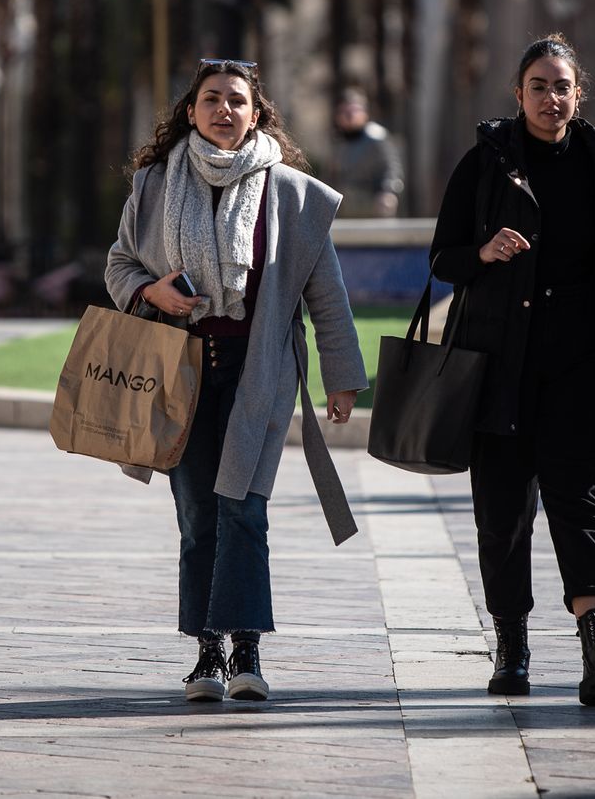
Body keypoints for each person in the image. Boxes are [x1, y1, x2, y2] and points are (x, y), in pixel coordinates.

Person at [104, 57, 366, 704]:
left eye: (237, 100)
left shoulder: (292, 194)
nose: (224, 109)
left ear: (258, 114)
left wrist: (341, 375)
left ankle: (246, 645)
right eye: (211, 99)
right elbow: (118, 266)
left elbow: (325, 292)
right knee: (197, 515)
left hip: (258, 374)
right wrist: (149, 289)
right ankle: (207, 655)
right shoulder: (155, 185)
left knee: (243, 510)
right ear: (190, 111)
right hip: (181, 376)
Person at [429, 33, 595, 707]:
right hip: (501, 367)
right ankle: (511, 645)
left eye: (562, 86)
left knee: (583, 506)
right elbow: (443, 259)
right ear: (518, 95)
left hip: (580, 369)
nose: (551, 98)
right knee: (503, 516)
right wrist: (486, 251)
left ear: (578, 93)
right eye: (538, 86)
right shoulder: (487, 163)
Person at [324, 87, 404, 217]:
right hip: (345, 208)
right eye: (344, 111)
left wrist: (389, 192)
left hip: (373, 207)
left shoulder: (376, 137)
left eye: (354, 111)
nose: (349, 116)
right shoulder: (338, 143)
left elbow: (392, 168)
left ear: (365, 113)